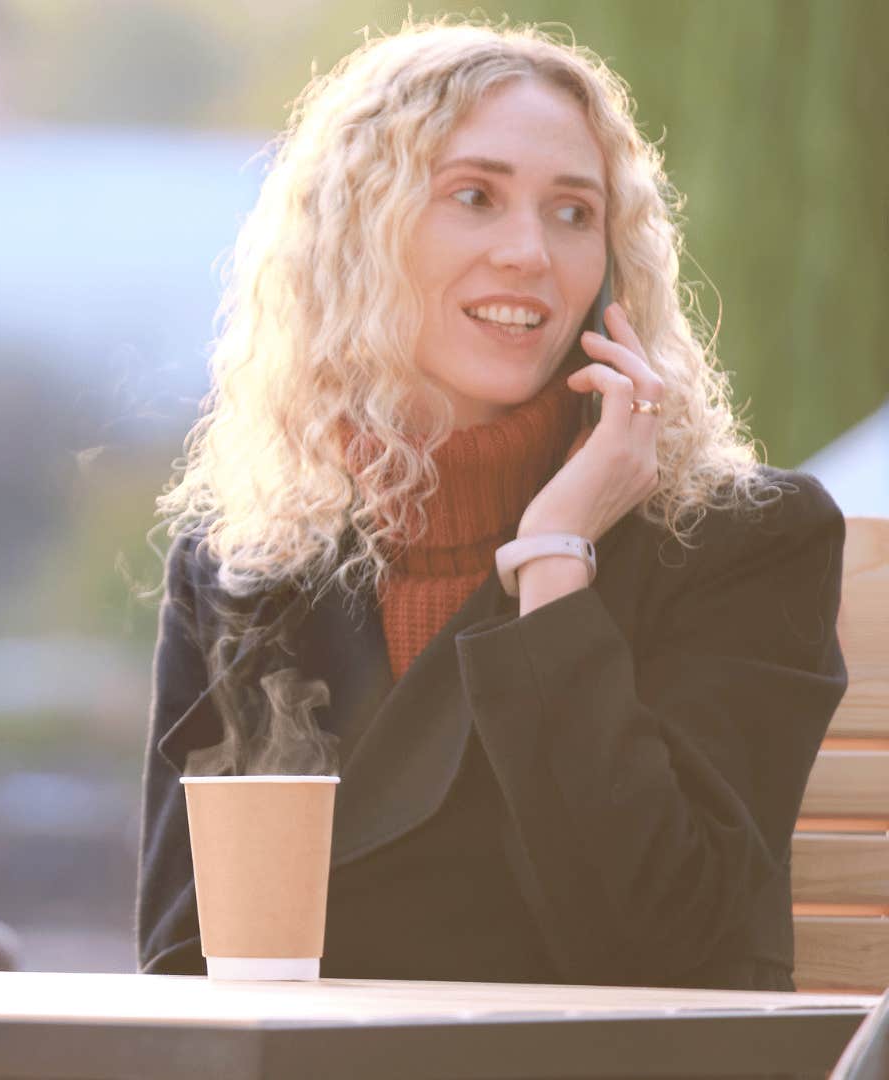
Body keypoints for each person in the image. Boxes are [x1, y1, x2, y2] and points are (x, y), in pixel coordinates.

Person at [137, 21, 846, 990]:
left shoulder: (740, 543)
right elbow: (185, 959)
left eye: (572, 213)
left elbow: (672, 944)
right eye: (474, 197)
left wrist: (555, 556)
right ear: (358, 235)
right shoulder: (250, 567)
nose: (530, 253)